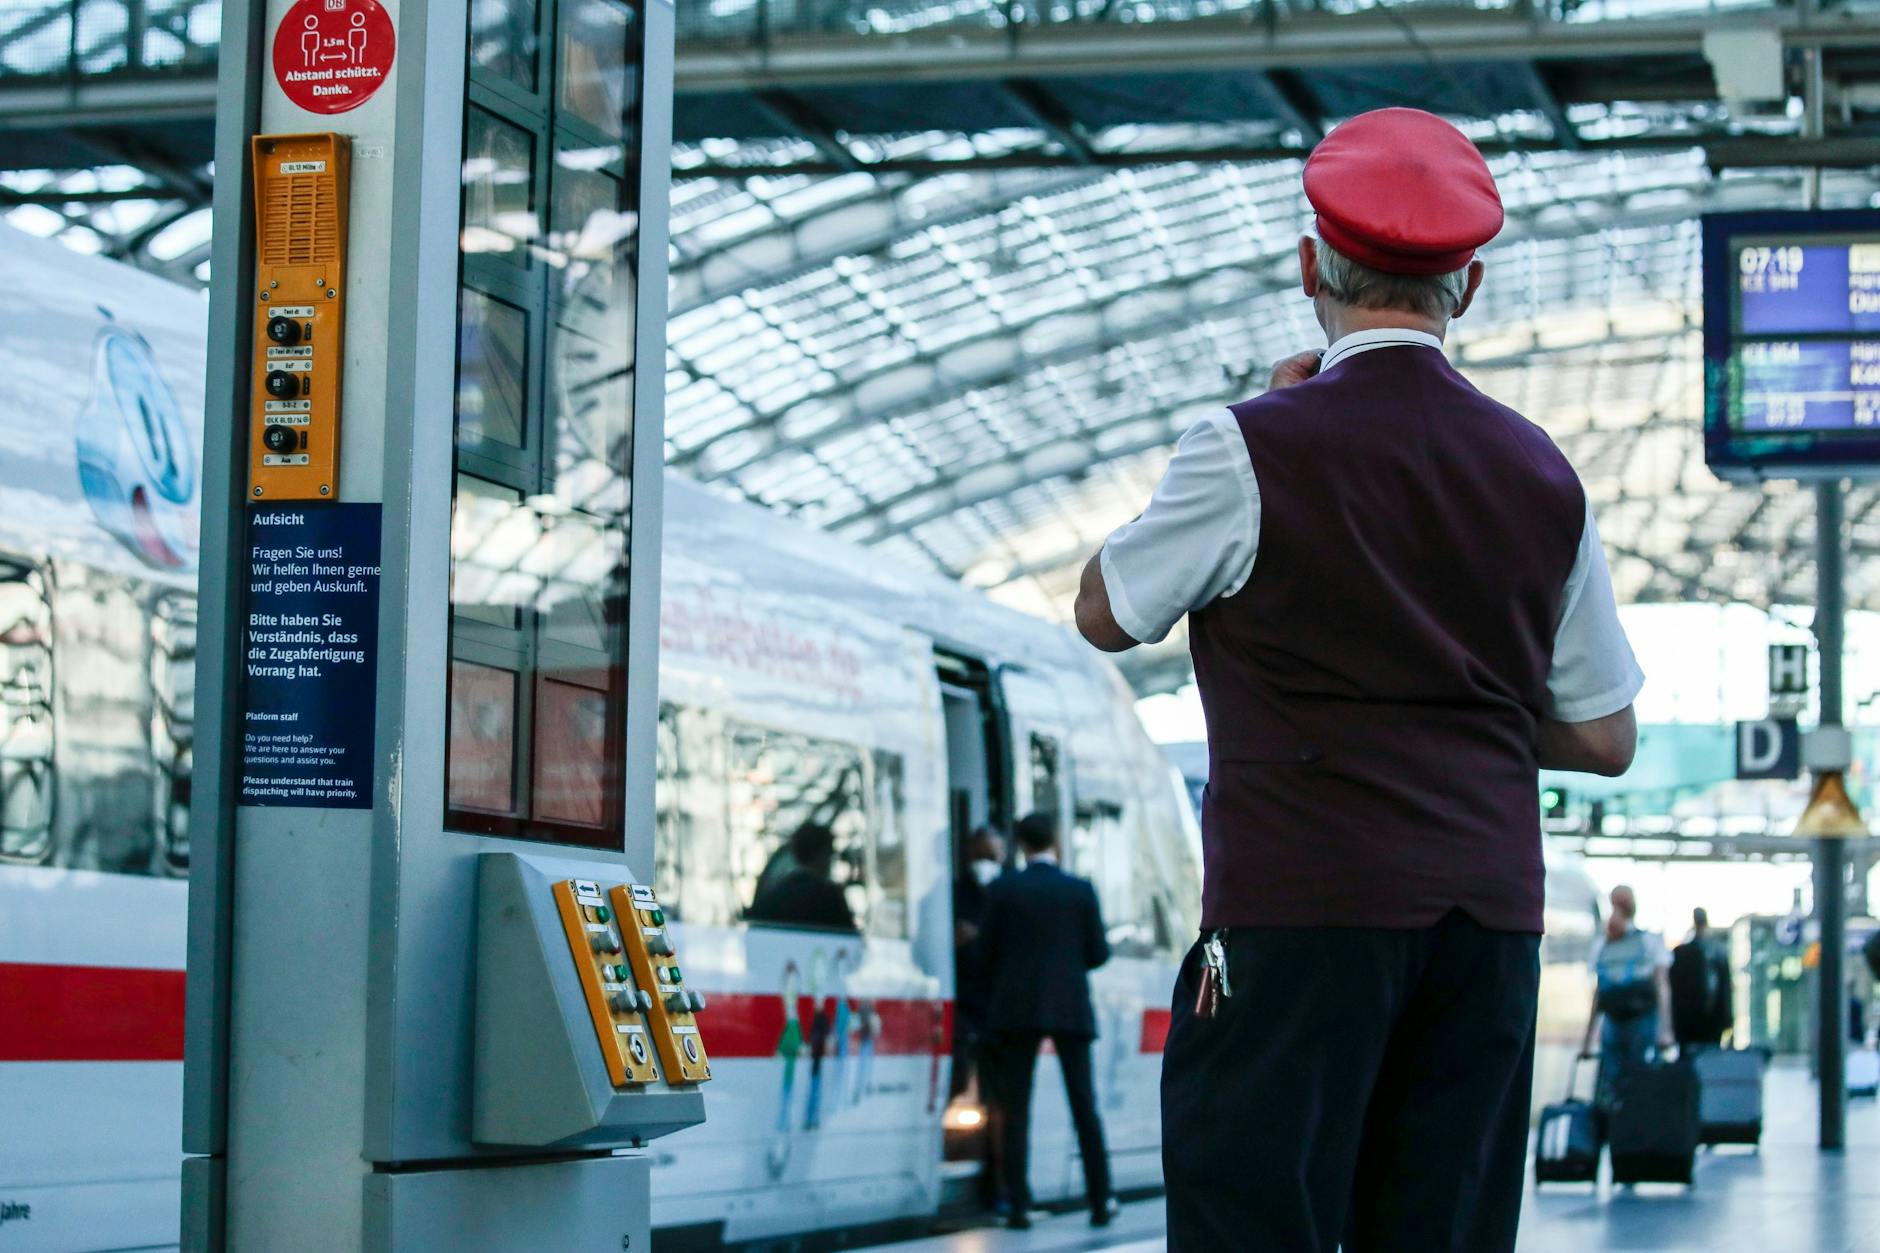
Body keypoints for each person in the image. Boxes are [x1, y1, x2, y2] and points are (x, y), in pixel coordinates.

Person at [1072, 106, 1643, 1253]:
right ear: (1465, 286)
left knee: (1253, 1225)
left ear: (1308, 269)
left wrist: (1269, 422)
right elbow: (1601, 735)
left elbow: (1105, 612)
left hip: (1297, 915)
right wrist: (1462, 703)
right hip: (1483, 930)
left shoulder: (1247, 446)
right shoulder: (1542, 474)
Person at [978, 812, 1117, 1230]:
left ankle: (1018, 1205)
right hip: (1070, 1007)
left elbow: (985, 953)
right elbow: (1099, 953)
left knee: (1015, 1109)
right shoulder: (1079, 890)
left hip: (1015, 1009)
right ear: (1055, 840)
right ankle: (1101, 1199)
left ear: (1020, 844)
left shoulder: (1002, 889)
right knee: (1084, 1105)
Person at [1584, 885, 1674, 1108]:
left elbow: (1599, 993)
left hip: (1628, 1021)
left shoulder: (1609, 944)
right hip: (1627, 1021)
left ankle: (1624, 1118)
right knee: (1635, 1080)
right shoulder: (1639, 942)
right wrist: (1665, 1030)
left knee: (1626, 1082)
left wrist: (1589, 1038)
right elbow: (1662, 987)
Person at [747, 823, 858, 932]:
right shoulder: (829, 896)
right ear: (822, 854)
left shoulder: (773, 894)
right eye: (830, 853)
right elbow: (847, 935)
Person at [1669, 906, 1732, 1050]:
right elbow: (1724, 989)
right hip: (1708, 1018)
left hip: (1689, 1020)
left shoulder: (1681, 953)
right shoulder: (1717, 951)